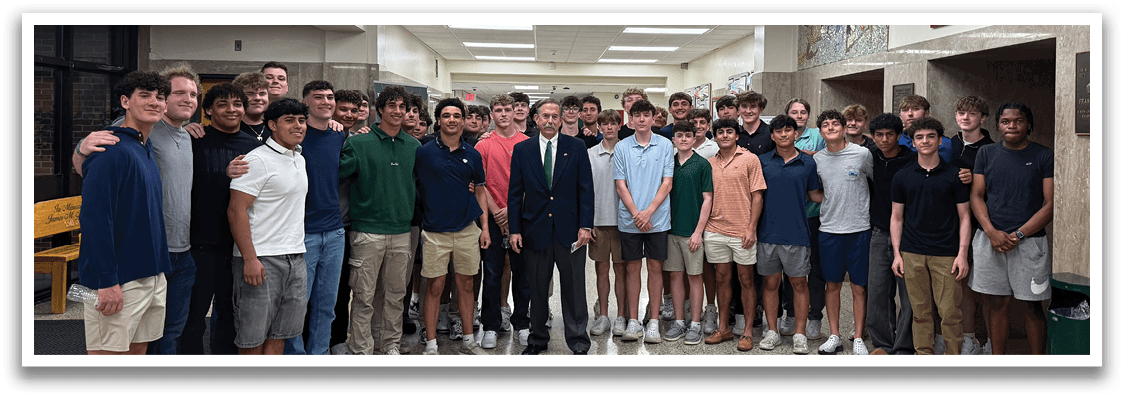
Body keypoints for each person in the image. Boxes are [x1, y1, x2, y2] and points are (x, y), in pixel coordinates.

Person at [72, 64, 200, 355]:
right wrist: (106, 282)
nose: (154, 102)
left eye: (159, 97)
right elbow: (94, 219)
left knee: (139, 354)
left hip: (152, 273)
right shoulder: (110, 148)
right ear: (125, 101)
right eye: (144, 95)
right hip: (119, 278)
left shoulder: (144, 148)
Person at [507, 98, 595, 355]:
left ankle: (578, 341)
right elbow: (515, 193)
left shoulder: (576, 147)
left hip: (571, 231)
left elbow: (586, 190)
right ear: (536, 118)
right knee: (536, 287)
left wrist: (586, 226)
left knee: (575, 288)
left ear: (562, 119)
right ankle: (537, 339)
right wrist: (514, 229)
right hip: (535, 229)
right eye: (545, 116)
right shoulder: (523, 150)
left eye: (555, 116)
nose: (550, 121)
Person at [336, 85, 419, 355]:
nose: (397, 111)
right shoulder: (359, 142)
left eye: (402, 107)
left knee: (395, 295)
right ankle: (361, 348)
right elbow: (333, 174)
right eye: (391, 106)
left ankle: (389, 344)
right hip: (367, 232)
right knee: (364, 296)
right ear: (379, 110)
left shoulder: (414, 146)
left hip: (401, 231)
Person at [969, 102, 1053, 355]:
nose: (1012, 126)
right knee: (997, 303)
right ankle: (999, 359)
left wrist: (1019, 234)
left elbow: (1050, 204)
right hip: (990, 240)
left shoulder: (1043, 155)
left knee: (1033, 305)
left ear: (1029, 125)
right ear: (997, 125)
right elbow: (976, 195)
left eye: (1018, 121)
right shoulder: (986, 153)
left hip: (1029, 243)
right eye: (1006, 121)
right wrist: (991, 232)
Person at [228, 98, 310, 355]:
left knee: (280, 335)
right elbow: (236, 210)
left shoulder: (299, 157)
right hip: (261, 259)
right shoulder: (257, 160)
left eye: (301, 120)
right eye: (289, 120)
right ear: (272, 125)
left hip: (295, 257)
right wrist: (250, 259)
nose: (298, 126)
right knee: (252, 339)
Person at [184, 83, 258, 354]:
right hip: (199, 244)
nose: (231, 109)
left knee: (230, 317)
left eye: (237, 103)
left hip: (237, 246)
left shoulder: (254, 146)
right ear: (207, 111)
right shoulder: (193, 139)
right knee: (193, 318)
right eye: (223, 104)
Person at [415, 97, 491, 355]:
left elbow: (480, 190)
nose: (452, 120)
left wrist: (485, 228)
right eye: (446, 115)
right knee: (435, 287)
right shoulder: (424, 151)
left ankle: (469, 340)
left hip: (466, 230)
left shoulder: (473, 153)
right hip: (435, 231)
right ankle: (432, 344)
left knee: (466, 285)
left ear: (462, 120)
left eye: (457, 116)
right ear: (439, 120)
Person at [890, 116, 972, 355]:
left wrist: (962, 254)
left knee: (949, 313)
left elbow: (965, 217)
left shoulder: (954, 175)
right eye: (919, 137)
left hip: (947, 254)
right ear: (913, 143)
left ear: (940, 140)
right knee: (920, 312)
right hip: (912, 253)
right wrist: (897, 254)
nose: (925, 141)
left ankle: (953, 355)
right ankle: (923, 354)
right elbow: (896, 217)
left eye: (930, 136)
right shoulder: (903, 176)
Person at [755, 114, 821, 354]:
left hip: (797, 234)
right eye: (779, 131)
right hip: (767, 234)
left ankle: (800, 334)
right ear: (772, 136)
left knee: (799, 284)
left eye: (788, 130)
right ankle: (772, 331)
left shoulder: (808, 163)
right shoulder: (762, 162)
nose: (784, 135)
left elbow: (815, 195)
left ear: (796, 134)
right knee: (770, 284)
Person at [812, 109, 874, 355]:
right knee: (832, 285)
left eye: (835, 123)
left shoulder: (862, 154)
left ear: (844, 127)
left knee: (859, 287)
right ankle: (835, 335)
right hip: (829, 230)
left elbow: (876, 182)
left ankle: (858, 335)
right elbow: (814, 193)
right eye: (825, 124)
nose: (830, 127)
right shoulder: (818, 159)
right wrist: (832, 200)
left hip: (859, 229)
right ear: (820, 131)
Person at [702, 118, 766, 351]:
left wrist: (751, 228)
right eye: (721, 132)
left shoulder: (750, 159)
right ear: (715, 136)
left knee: (746, 280)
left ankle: (747, 331)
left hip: (742, 232)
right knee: (721, 279)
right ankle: (724, 328)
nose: (725, 135)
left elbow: (758, 196)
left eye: (730, 132)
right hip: (715, 230)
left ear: (737, 136)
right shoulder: (709, 163)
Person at [474, 93, 532, 349]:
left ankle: (522, 323)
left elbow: (533, 184)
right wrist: (498, 210)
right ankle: (490, 325)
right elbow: (479, 183)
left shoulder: (528, 144)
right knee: (493, 274)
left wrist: (511, 210)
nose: (504, 114)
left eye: (508, 109)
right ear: (492, 115)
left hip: (520, 217)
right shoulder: (483, 145)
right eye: (498, 110)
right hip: (492, 218)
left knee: (523, 275)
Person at [613, 99, 673, 343]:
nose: (641, 119)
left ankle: (654, 322)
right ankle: (634, 320)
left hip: (657, 220)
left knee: (656, 269)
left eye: (645, 115)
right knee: (632, 268)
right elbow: (620, 184)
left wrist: (648, 212)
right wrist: (637, 213)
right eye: (636, 115)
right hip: (630, 220)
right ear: (630, 119)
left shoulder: (666, 145)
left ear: (652, 117)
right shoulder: (622, 147)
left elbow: (667, 182)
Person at [865, 113, 918, 356]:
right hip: (878, 232)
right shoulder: (870, 157)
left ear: (899, 136)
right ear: (873, 137)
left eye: (889, 135)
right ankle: (883, 344)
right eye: (879, 135)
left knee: (908, 294)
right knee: (877, 292)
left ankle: (904, 345)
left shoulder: (912, 160)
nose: (884, 139)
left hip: (908, 235)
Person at [950, 95, 995, 354]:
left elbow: (998, 189)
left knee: (987, 288)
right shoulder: (948, 145)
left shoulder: (991, 149)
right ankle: (967, 338)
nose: (965, 118)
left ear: (983, 118)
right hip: (950, 226)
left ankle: (991, 340)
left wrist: (979, 179)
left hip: (982, 228)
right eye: (961, 113)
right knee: (960, 285)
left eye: (972, 114)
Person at [665, 121, 714, 346]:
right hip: (670, 230)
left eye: (688, 135)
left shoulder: (702, 164)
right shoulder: (668, 163)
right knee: (675, 276)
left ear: (694, 139)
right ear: (673, 139)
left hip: (692, 232)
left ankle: (695, 323)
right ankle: (679, 321)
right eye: (679, 136)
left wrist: (698, 232)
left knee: (695, 277)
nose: (683, 139)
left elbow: (708, 199)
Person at [785, 97, 827, 340]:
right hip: (789, 216)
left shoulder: (818, 136)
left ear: (808, 116)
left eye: (803, 112)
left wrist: (801, 152)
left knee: (815, 270)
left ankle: (814, 317)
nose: (799, 116)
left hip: (814, 216)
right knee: (790, 271)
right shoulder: (781, 133)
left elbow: (823, 159)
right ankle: (790, 313)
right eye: (794, 112)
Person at [587, 109, 627, 337]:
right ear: (599, 127)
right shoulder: (590, 154)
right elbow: (584, 191)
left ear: (619, 126)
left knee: (621, 271)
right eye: (605, 124)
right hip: (598, 222)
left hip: (623, 223)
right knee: (601, 271)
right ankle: (603, 315)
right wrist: (587, 222)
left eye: (613, 123)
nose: (609, 127)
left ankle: (621, 316)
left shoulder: (627, 152)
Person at [897, 95, 953, 161]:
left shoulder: (943, 143)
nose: (910, 114)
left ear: (926, 113)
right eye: (905, 110)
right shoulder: (895, 140)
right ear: (900, 116)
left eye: (916, 109)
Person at [234, 72, 272, 142]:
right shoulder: (231, 128)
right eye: (250, 94)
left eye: (262, 94)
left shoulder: (277, 128)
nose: (257, 98)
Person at [736, 91, 774, 155]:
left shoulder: (771, 133)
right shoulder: (735, 134)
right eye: (744, 106)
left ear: (761, 110)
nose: (748, 111)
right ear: (739, 110)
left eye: (753, 106)